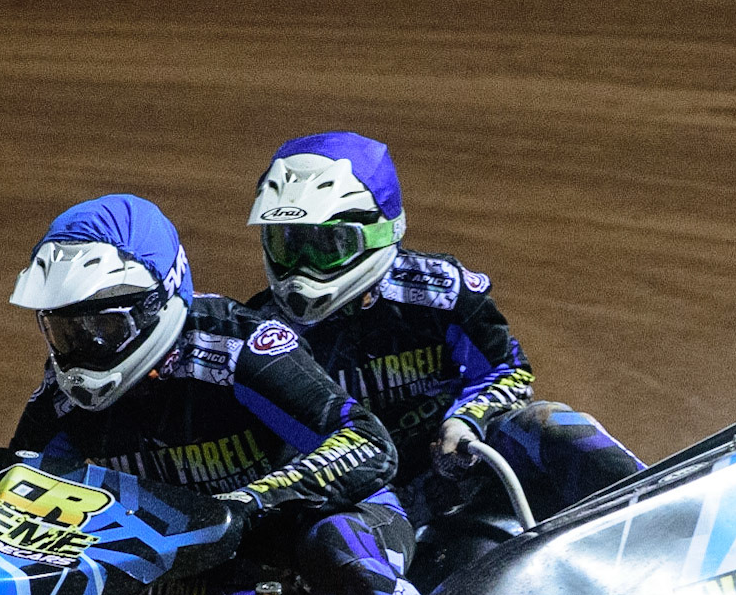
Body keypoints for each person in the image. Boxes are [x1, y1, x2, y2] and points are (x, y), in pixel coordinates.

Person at [9, 193, 421, 595]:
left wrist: (255, 500)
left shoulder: (238, 347)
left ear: (153, 305)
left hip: (317, 530)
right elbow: (9, 491)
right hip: (199, 570)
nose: (83, 350)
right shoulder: (61, 400)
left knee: (338, 551)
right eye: (65, 332)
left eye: (103, 328)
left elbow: (367, 441)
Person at [243, 131, 643, 529]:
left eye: (327, 245)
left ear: (378, 234)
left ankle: (670, 505)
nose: (302, 267)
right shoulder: (258, 337)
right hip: (362, 506)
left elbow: (509, 370)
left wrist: (468, 420)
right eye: (287, 244)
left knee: (553, 424)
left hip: (463, 466)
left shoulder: (439, 291)